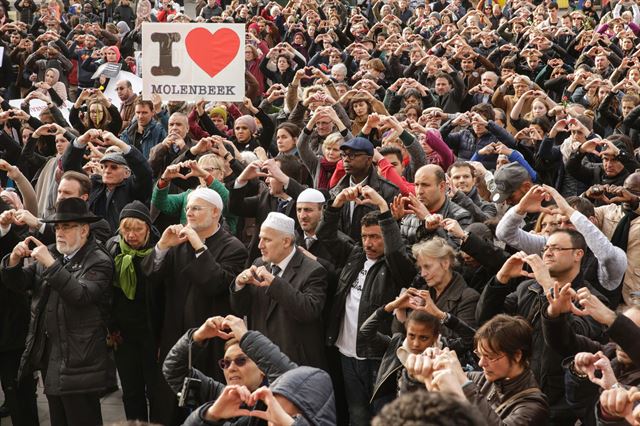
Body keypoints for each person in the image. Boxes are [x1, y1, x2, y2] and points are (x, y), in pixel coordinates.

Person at [1, 197, 114, 426]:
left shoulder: (99, 259)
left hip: (81, 360)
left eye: (67, 227)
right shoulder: (53, 252)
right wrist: (12, 260)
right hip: (51, 357)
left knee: (82, 418)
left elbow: (80, 295)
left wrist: (51, 265)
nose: (60, 233)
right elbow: (21, 283)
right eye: (58, 227)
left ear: (84, 230)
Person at [141, 187, 247, 425]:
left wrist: (200, 247)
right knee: (168, 406)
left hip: (209, 344)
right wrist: (162, 247)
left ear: (215, 212)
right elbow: (150, 274)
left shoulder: (234, 247)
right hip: (174, 338)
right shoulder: (178, 243)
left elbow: (216, 284)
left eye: (196, 208)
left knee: (204, 409)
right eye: (188, 208)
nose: (189, 213)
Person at [319, 185, 416, 426]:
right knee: (357, 415)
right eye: (365, 236)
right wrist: (337, 202)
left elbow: (396, 253)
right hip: (346, 351)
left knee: (382, 417)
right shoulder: (355, 255)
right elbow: (326, 235)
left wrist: (384, 209)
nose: (368, 243)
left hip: (377, 356)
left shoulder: (396, 266)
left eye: (375, 237)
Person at [405, 314, 550, 425]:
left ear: (517, 355)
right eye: (479, 355)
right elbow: (419, 404)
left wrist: (463, 382)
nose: (481, 363)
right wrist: (420, 373)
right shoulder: (480, 379)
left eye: (490, 356)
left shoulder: (534, 406)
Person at [230, 212, 328, 369]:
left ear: (286, 241)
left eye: (267, 240)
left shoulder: (314, 270)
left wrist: (275, 283)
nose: (259, 245)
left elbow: (308, 311)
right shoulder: (259, 263)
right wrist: (239, 285)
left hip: (295, 364)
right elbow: (242, 309)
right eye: (260, 238)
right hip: (261, 361)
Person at [106, 201, 159, 422]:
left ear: (148, 228)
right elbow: (107, 293)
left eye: (137, 229)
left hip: (152, 333)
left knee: (156, 392)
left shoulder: (160, 250)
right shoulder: (113, 248)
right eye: (126, 229)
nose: (131, 235)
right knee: (131, 390)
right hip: (123, 334)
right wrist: (111, 326)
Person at [61, 129, 153, 232]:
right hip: (95, 241)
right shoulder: (94, 184)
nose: (107, 171)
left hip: (123, 242)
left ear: (127, 173)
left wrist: (118, 142)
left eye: (114, 167)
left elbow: (145, 173)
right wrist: (83, 139)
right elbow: (69, 167)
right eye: (104, 166)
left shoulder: (133, 187)